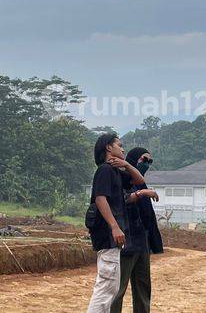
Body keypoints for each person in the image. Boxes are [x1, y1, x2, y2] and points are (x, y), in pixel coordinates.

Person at [87, 134, 147, 313]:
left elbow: (139, 181)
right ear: (108, 147)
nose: (123, 149)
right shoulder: (105, 170)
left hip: (111, 236)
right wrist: (114, 226)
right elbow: (100, 199)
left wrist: (127, 165)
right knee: (106, 287)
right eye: (119, 145)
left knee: (110, 287)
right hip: (107, 234)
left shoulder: (115, 171)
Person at [110, 147, 162, 313]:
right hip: (127, 241)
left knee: (143, 288)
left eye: (149, 161)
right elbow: (120, 201)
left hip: (142, 242)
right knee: (119, 288)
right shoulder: (123, 179)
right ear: (132, 160)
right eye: (143, 160)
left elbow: (147, 217)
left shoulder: (140, 182)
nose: (146, 164)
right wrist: (141, 193)